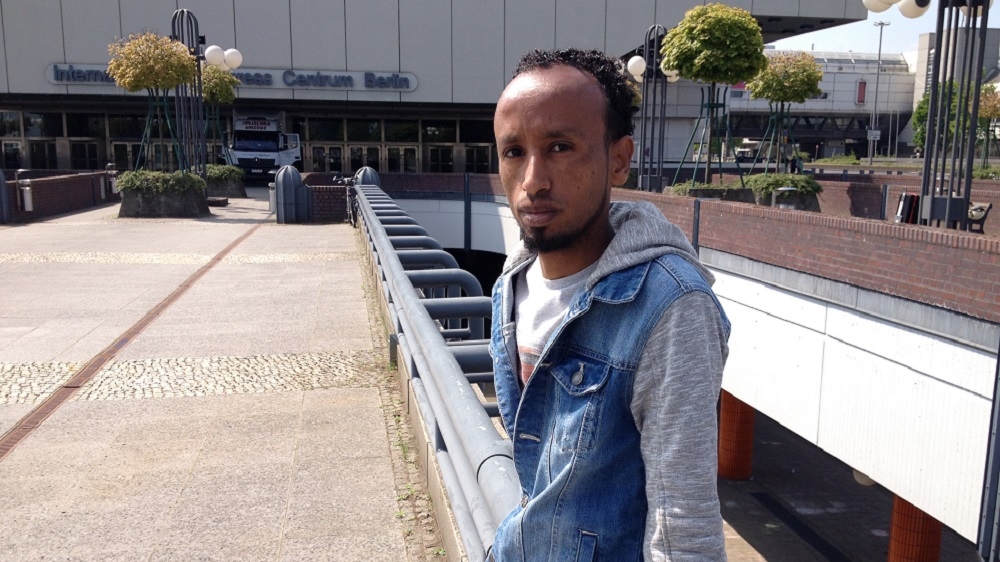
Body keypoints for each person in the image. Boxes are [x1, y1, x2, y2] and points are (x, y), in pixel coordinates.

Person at [488, 48, 731, 561]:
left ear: (618, 159)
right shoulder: (511, 283)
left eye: (560, 147)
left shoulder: (671, 305)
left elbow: (684, 526)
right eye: (513, 152)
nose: (532, 181)